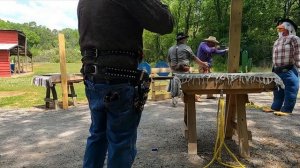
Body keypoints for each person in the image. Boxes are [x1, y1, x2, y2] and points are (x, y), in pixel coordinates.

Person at [77, 0, 174, 167]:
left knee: (97, 135)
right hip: (120, 80)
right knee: (121, 142)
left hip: (93, 78)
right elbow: (165, 22)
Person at [265, 18, 300, 116]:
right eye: (279, 28)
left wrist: (299, 66)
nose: (280, 29)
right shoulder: (276, 41)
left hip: (289, 70)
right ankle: (275, 107)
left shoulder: (294, 38)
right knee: (277, 91)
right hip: (277, 71)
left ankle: (287, 109)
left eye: (283, 26)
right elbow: (274, 56)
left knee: (291, 90)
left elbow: (298, 53)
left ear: (290, 28)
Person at [167, 32, 208, 106]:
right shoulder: (186, 48)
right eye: (185, 39)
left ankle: (175, 98)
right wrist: (203, 64)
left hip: (174, 71)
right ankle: (188, 98)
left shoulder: (170, 49)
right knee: (187, 85)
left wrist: (171, 68)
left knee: (175, 79)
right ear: (183, 39)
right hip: (184, 71)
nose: (186, 40)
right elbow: (194, 58)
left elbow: (169, 60)